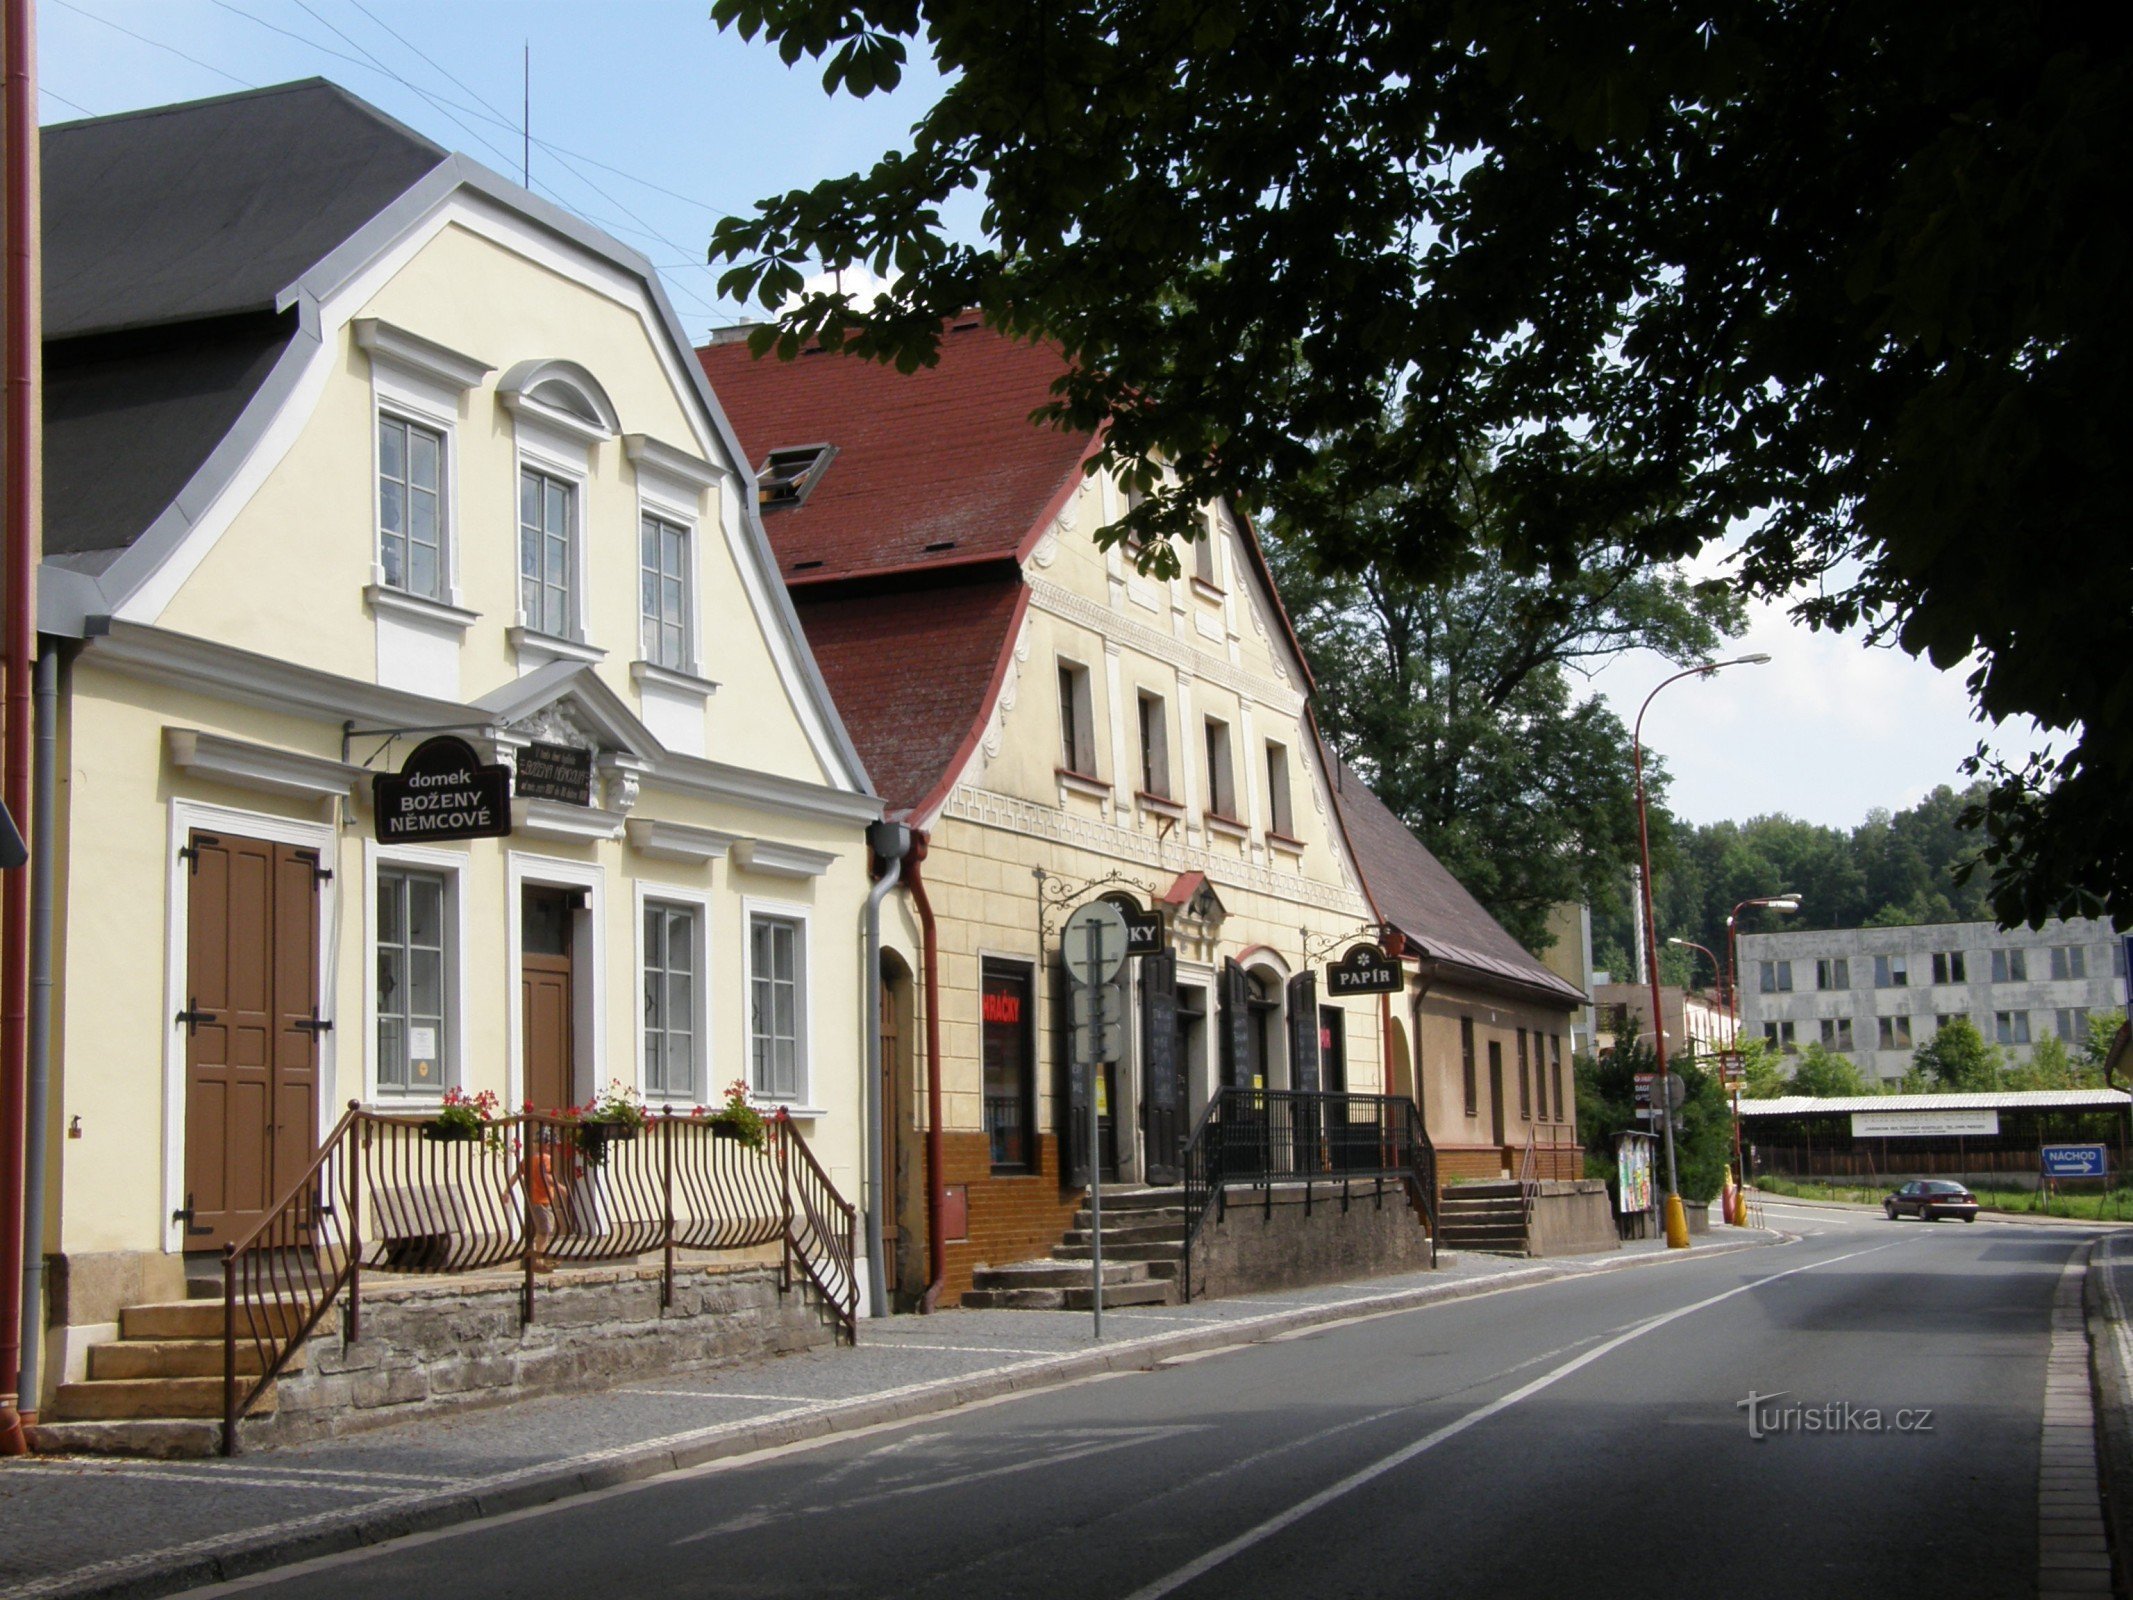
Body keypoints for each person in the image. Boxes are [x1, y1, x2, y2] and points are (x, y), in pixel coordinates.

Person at [518, 1126, 567, 1273]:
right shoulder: (546, 1158)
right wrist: (560, 1187)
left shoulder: (528, 1159)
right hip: (543, 1200)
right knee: (544, 1231)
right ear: (546, 1145)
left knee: (541, 1230)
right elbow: (547, 1176)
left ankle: (539, 1258)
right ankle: (538, 1260)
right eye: (552, 1145)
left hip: (533, 1200)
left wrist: (507, 1191)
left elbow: (517, 1174)